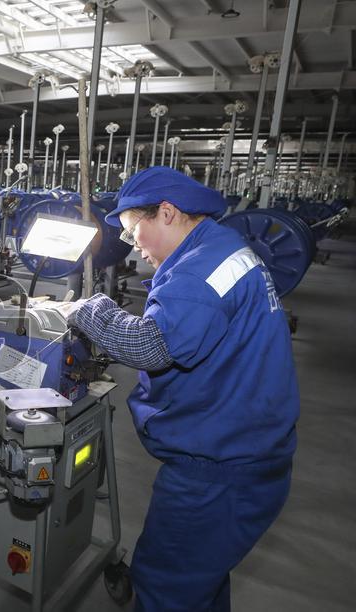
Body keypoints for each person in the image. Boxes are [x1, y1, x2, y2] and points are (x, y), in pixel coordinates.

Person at [54, 167, 298, 611]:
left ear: (166, 213)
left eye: (133, 233)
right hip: (249, 450)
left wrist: (91, 311)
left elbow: (152, 345)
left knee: (169, 584)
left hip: (219, 469)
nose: (135, 248)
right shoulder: (222, 248)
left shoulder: (197, 272)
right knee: (199, 577)